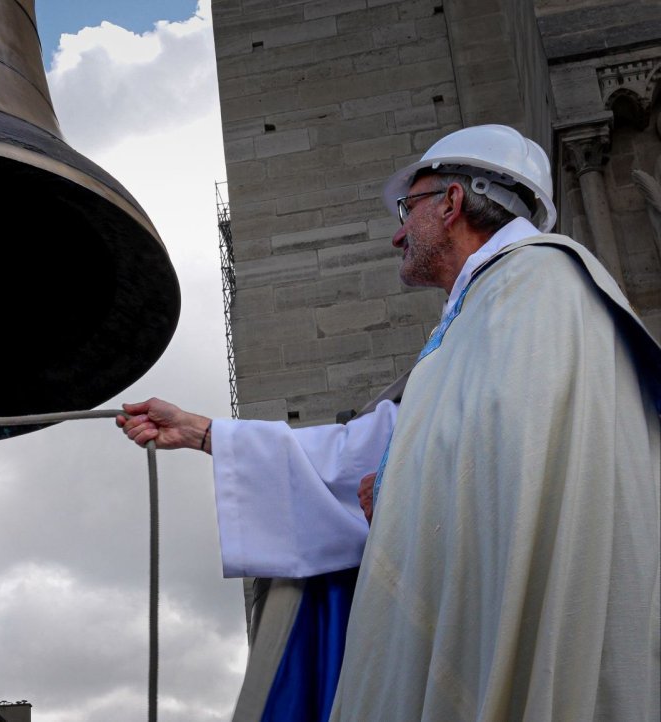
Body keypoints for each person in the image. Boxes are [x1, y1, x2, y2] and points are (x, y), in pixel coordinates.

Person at [119, 124, 660, 721]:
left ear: (452, 203)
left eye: (408, 208)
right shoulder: (477, 317)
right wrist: (201, 432)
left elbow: (527, 466)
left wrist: (401, 490)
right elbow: (367, 453)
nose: (397, 233)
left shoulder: (537, 288)